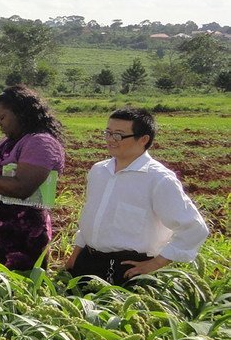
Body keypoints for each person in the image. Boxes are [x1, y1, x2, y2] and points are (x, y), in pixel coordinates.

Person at [65, 107, 209, 285]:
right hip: (88, 261)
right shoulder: (99, 170)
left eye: (118, 135)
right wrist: (75, 256)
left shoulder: (158, 179)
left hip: (127, 269)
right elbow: (91, 218)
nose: (110, 140)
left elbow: (194, 228)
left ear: (143, 139)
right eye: (107, 133)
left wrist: (156, 263)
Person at [0, 85, 66, 271]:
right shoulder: (14, 140)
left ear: (21, 113)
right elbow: (2, 177)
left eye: (2, 117)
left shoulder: (41, 143)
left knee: (15, 293)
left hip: (21, 238)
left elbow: (22, 188)